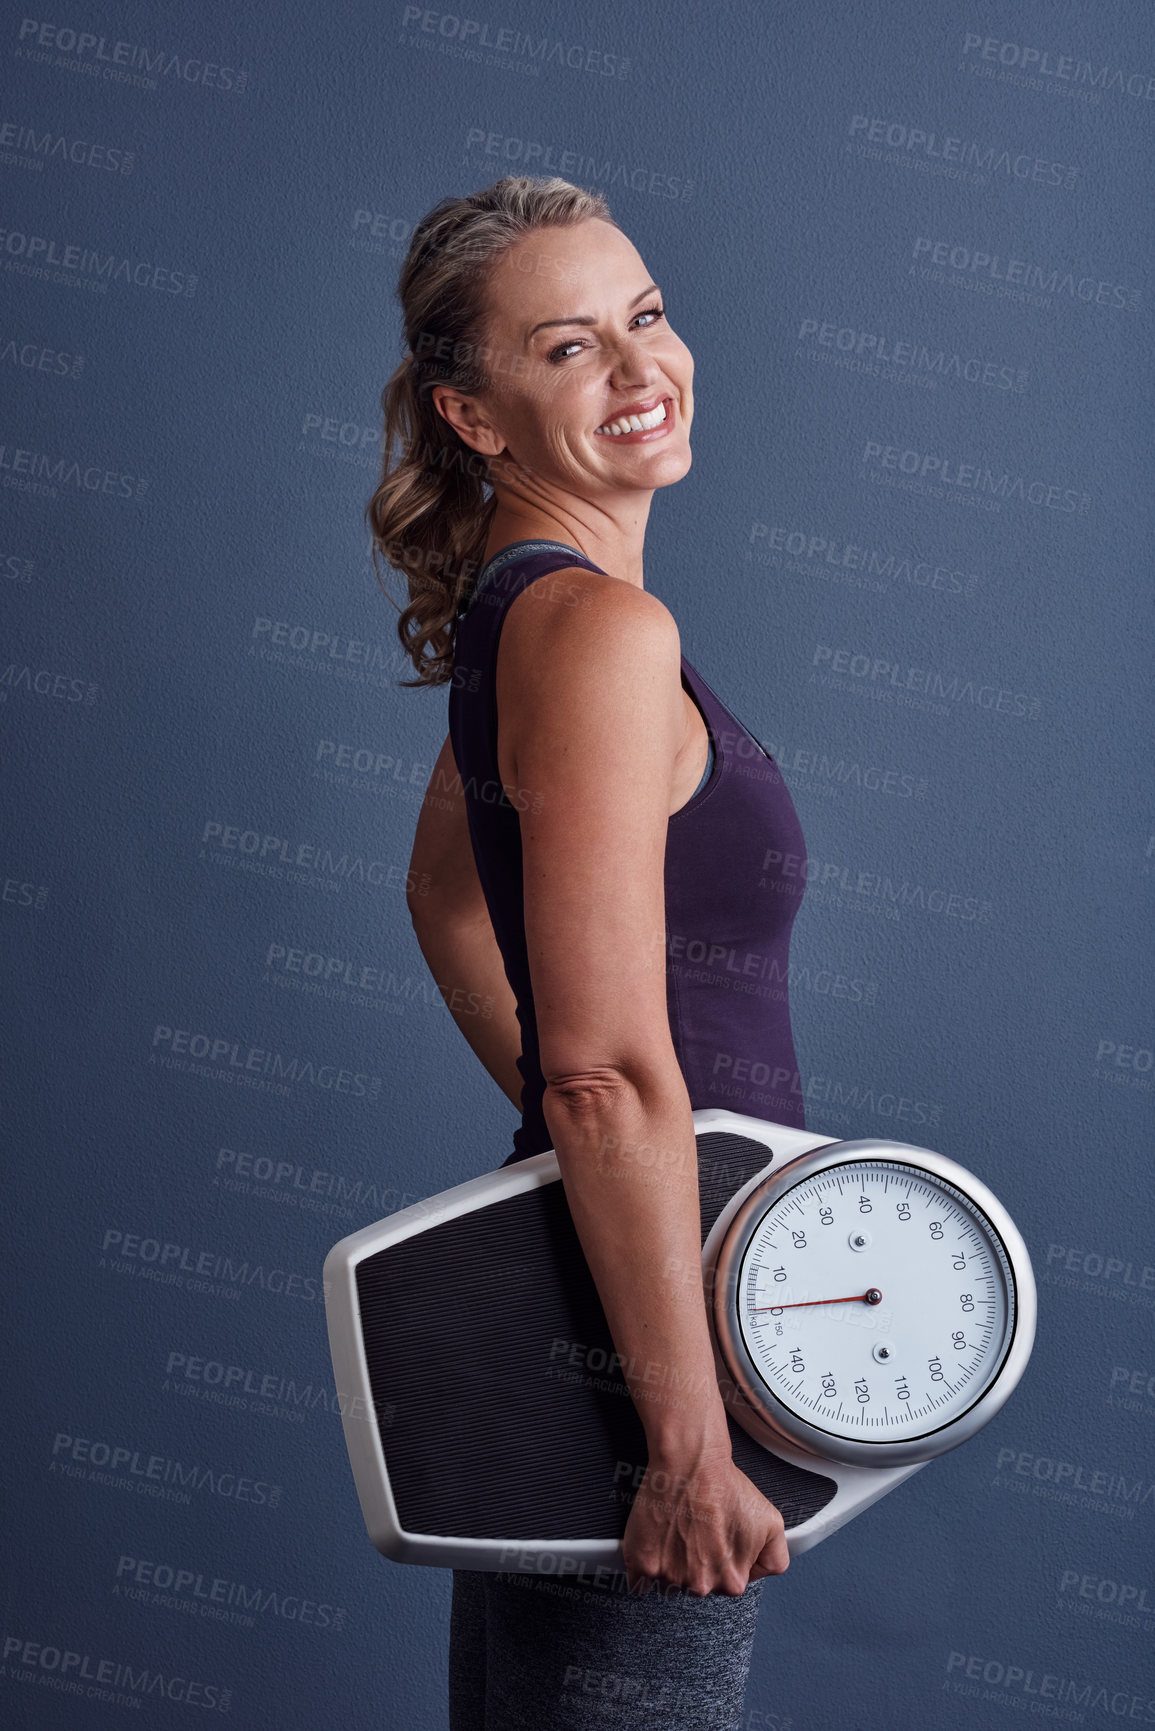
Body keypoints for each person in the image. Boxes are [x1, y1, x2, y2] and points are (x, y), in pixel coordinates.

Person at [367, 174, 809, 1731]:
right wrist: (688, 1445)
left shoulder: (529, 614)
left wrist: (587, 1122)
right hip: (650, 1350)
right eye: (567, 348)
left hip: (579, 1291)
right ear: (471, 416)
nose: (639, 368)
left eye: (648, 316)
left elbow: (447, 898)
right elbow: (611, 1076)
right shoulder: (604, 638)